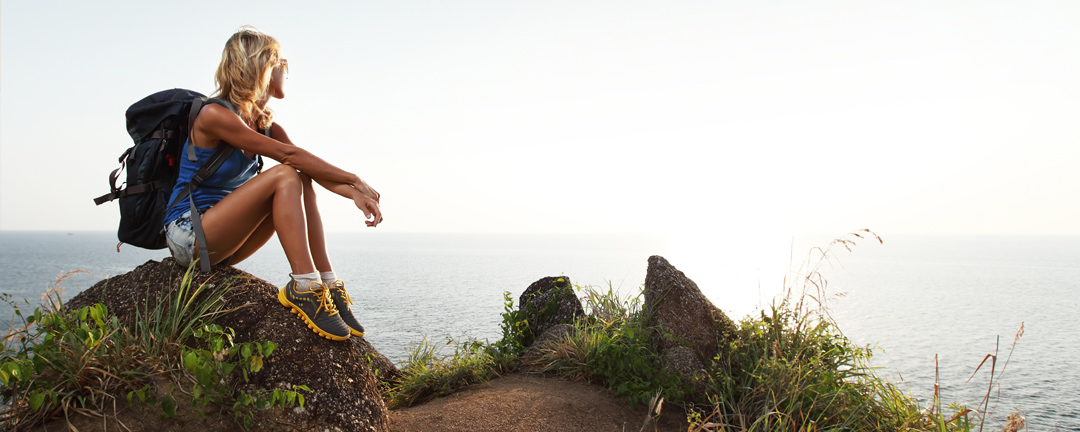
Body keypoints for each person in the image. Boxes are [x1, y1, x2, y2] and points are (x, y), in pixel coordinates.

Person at [162, 26, 382, 341]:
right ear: (261, 67)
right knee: (287, 172)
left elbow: (310, 169)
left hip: (224, 243)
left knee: (300, 175)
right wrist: (354, 178)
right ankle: (304, 286)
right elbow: (288, 155)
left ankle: (328, 284)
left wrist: (355, 195)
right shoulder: (214, 115)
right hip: (189, 235)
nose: (286, 70)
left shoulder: (266, 125)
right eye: (281, 63)